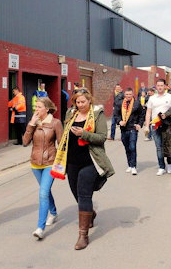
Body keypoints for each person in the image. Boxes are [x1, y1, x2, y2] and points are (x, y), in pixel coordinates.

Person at [52, 89, 115, 250]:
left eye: (83, 102)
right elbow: (65, 135)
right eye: (77, 102)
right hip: (72, 161)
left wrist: (84, 134)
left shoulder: (97, 114)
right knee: (77, 194)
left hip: (91, 161)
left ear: (89, 101)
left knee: (83, 192)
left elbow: (101, 137)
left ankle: (83, 235)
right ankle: (90, 214)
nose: (80, 105)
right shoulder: (70, 114)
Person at [23, 97, 63, 240]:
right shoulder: (34, 123)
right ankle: (53, 212)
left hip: (49, 163)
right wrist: (31, 124)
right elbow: (25, 142)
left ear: (47, 108)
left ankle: (40, 227)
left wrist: (61, 164)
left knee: (43, 193)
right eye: (36, 107)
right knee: (45, 192)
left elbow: (61, 144)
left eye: (39, 107)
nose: (36, 110)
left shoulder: (55, 123)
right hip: (35, 164)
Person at [144, 79, 171, 175]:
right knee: (159, 147)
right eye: (158, 85)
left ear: (165, 86)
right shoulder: (152, 98)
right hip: (155, 125)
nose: (160, 87)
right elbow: (148, 112)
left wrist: (169, 114)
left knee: (168, 146)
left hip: (168, 125)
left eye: (161, 85)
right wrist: (147, 125)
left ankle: (169, 164)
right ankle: (161, 167)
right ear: (156, 86)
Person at [115, 88, 145, 175]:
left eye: (130, 94)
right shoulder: (120, 103)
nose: (128, 96)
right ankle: (129, 165)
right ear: (125, 95)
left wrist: (139, 124)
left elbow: (142, 115)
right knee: (127, 148)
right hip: (123, 129)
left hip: (133, 128)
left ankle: (133, 166)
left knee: (132, 147)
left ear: (132, 95)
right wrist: (119, 121)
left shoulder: (136, 104)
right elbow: (116, 114)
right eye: (127, 94)